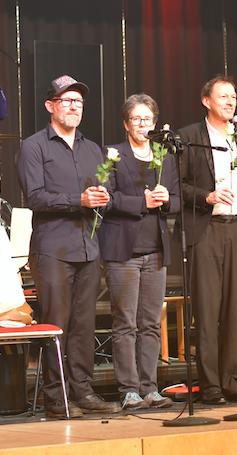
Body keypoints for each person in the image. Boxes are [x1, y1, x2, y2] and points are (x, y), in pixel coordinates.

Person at [16, 75, 121, 418]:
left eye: (78, 102)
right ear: (51, 106)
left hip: (88, 248)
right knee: (56, 324)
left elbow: (106, 194)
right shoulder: (34, 147)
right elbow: (35, 197)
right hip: (53, 249)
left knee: (84, 325)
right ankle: (56, 397)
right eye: (67, 101)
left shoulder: (93, 149)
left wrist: (103, 198)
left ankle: (82, 391)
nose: (74, 106)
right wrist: (79, 200)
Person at [177, 75, 237, 405]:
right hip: (206, 230)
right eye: (223, 96)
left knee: (235, 311)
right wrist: (207, 196)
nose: (230, 102)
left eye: (233, 97)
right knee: (207, 309)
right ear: (206, 101)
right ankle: (210, 384)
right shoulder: (189, 137)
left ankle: (231, 381)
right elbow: (177, 186)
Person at [99, 94, 178, 410]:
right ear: (126, 123)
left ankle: (149, 388)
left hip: (155, 251)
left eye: (147, 119)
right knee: (125, 323)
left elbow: (177, 199)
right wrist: (141, 203)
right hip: (124, 252)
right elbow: (106, 199)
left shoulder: (165, 156)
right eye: (136, 118)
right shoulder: (113, 155)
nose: (142, 124)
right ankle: (129, 390)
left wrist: (167, 199)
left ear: (155, 123)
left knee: (150, 323)